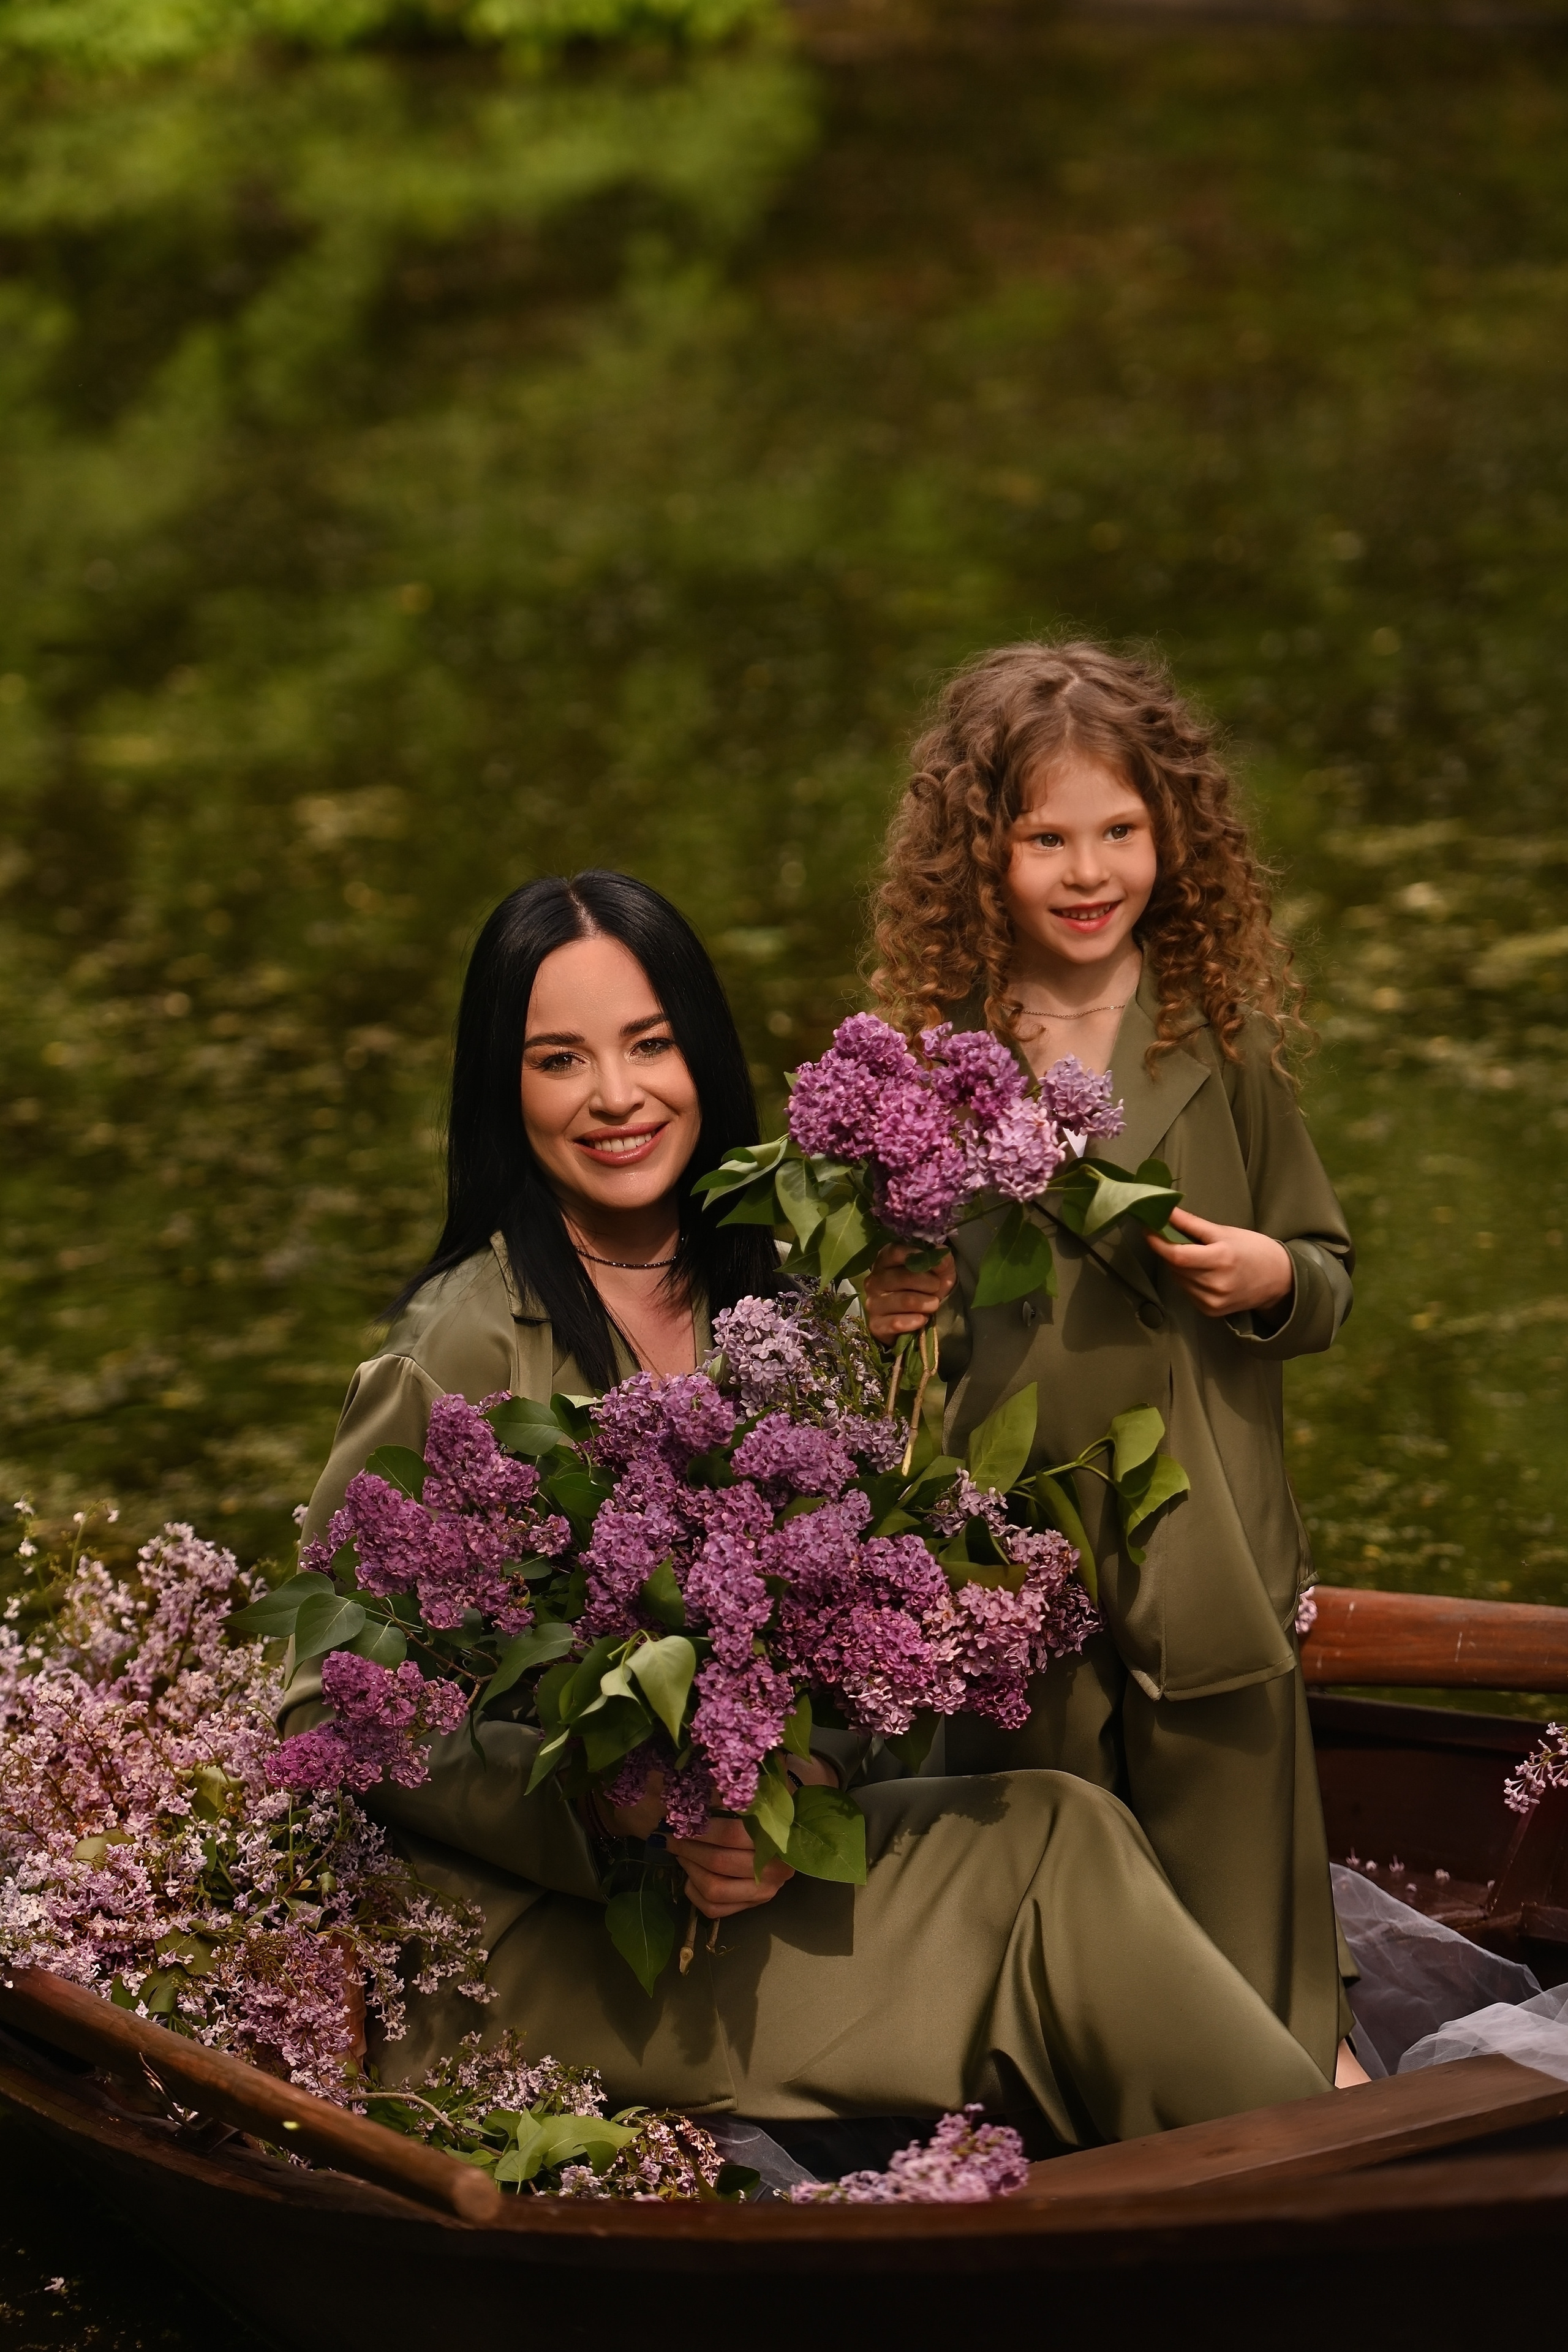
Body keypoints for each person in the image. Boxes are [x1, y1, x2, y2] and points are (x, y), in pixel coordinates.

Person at [284, 865, 1333, 2154]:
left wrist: (807, 1784)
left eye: (648, 1045)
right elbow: (328, 1697)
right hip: (546, 1947)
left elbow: (851, 1649)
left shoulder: (777, 1309)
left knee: (1059, 1818)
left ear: (701, 1055)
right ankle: (1331, 2197)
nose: (615, 1097)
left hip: (743, 1890)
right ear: (505, 1092)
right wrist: (612, 1814)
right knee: (1045, 1874)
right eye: (559, 1060)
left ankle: (1293, 2196)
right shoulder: (457, 1349)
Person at [862, 642, 1365, 2089]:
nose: (1088, 872)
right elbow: (891, 1312)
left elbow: (1324, 1270)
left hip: (1202, 1517)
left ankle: (1289, 2061)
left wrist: (1268, 1276)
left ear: (1170, 835)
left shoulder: (1216, 1038)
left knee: (1232, 1821)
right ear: (980, 855)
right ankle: (1075, 2095)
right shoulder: (938, 1060)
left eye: (1119, 832)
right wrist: (886, 1299)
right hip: (1014, 1537)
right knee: (1039, 1811)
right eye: (1044, 838)